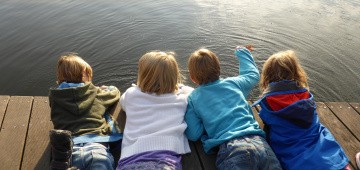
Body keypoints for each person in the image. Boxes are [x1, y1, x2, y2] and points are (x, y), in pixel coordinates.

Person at [185, 46, 282, 170]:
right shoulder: (234, 83)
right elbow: (252, 75)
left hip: (232, 149)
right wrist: (243, 52)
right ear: (219, 68)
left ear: (192, 78)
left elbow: (193, 134)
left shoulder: (194, 98)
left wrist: (207, 123)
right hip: (260, 144)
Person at [252, 50, 350, 170]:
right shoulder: (306, 94)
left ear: (267, 75)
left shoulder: (267, 101)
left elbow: (266, 118)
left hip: (293, 152)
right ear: (296, 72)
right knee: (322, 140)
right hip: (319, 146)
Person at [117, 51, 193, 170]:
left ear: (142, 76)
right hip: (166, 159)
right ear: (174, 77)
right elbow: (194, 93)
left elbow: (122, 104)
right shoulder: (182, 99)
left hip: (131, 159)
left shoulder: (131, 95)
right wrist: (180, 88)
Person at [49, 53, 123, 170]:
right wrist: (106, 89)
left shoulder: (55, 96)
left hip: (70, 151)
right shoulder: (95, 93)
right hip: (97, 149)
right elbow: (115, 93)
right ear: (85, 75)